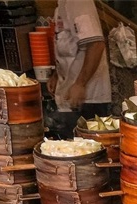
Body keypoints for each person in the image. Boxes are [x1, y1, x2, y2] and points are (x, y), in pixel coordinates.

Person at [47, 0, 111, 138]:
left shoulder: (78, 2)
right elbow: (68, 45)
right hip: (69, 94)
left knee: (85, 146)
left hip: (87, 99)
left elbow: (96, 44)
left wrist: (80, 83)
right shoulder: (63, 3)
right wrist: (56, 74)